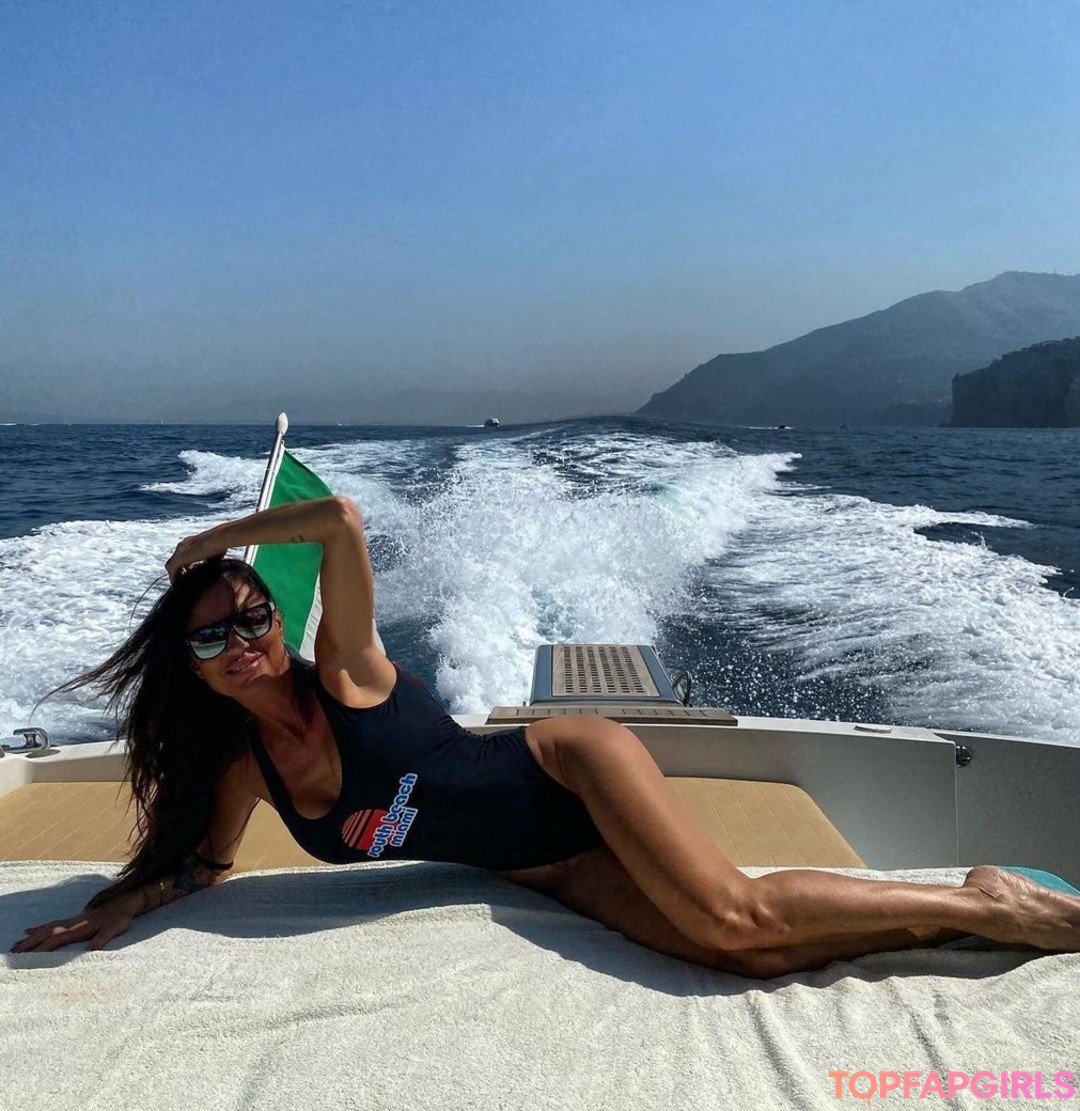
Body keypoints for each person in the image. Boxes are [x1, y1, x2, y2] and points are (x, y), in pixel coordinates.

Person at [12, 496, 1080, 977]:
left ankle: (990, 904)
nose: (242, 640)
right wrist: (121, 905)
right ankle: (944, 918)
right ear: (190, 665)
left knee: (734, 909)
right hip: (548, 867)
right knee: (740, 953)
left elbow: (338, 520)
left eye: (253, 617)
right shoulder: (243, 767)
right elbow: (202, 865)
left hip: (570, 765)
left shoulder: (344, 671)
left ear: (279, 620)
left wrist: (218, 539)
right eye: (212, 636)